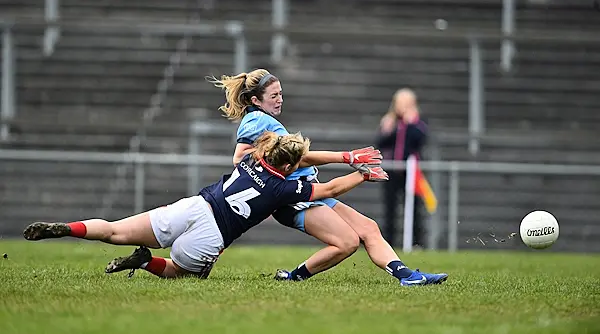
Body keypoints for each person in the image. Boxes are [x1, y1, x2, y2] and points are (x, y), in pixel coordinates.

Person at [22, 131, 389, 279]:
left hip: (195, 207)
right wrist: (362, 174)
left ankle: (66, 228)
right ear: (292, 167)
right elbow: (327, 191)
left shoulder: (251, 160)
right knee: (181, 274)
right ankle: (147, 260)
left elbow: (299, 157)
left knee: (115, 229)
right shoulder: (283, 189)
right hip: (214, 233)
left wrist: (339, 159)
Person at [208, 69, 447, 286]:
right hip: (293, 199)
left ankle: (407, 276)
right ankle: (293, 278)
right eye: (273, 96)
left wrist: (347, 160)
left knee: (368, 228)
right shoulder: (257, 120)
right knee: (348, 242)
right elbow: (240, 158)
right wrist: (346, 158)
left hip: (305, 191)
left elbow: (296, 158)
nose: (280, 99)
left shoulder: (264, 120)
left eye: (281, 93)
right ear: (255, 100)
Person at [376, 88, 428, 248]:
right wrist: (389, 129)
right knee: (390, 207)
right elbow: (380, 141)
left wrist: (410, 124)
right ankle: (388, 242)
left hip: (411, 172)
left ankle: (416, 243)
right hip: (391, 170)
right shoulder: (390, 121)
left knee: (413, 208)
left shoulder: (418, 123)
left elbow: (420, 140)